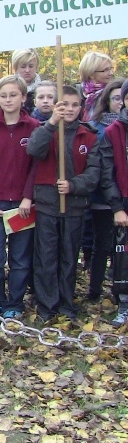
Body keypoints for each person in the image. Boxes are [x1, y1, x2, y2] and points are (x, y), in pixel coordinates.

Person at [27, 86, 100, 322]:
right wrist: (51, 124)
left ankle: (67, 304)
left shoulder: (88, 136)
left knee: (69, 257)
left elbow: (94, 172)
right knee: (46, 257)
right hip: (48, 204)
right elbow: (33, 150)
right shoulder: (45, 130)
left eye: (74, 105)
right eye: (64, 104)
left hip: (74, 207)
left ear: (81, 107)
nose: (69, 109)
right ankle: (47, 305)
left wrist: (74, 185)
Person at [0, 75, 40, 319]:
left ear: (23, 97)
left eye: (13, 95)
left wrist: (28, 197)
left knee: (20, 258)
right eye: (3, 95)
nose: (8, 100)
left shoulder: (34, 128)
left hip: (22, 205)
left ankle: (15, 302)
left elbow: (36, 167)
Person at [82, 78, 125, 302]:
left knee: (122, 246)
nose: (119, 103)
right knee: (102, 244)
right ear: (107, 100)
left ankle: (120, 288)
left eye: (122, 98)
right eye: (115, 98)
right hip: (102, 194)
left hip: (124, 193)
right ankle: (95, 289)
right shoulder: (96, 127)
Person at [101, 78, 128, 326]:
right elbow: (107, 173)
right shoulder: (113, 132)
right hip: (124, 201)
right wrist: (117, 207)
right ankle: (124, 303)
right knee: (123, 256)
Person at [79, 51, 115, 122]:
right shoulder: (78, 93)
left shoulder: (113, 92)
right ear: (91, 74)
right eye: (106, 70)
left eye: (111, 68)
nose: (111, 73)